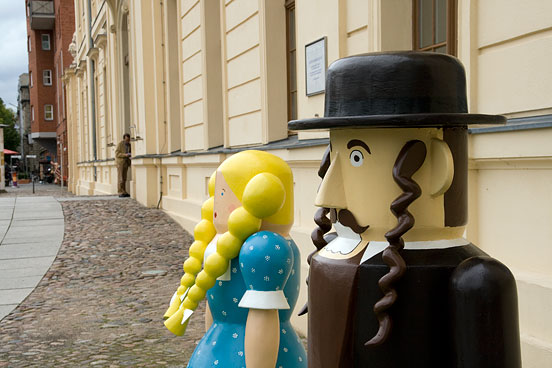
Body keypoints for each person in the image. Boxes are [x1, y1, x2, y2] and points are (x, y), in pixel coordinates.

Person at [289, 52, 521, 368]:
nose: (326, 195)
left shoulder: (476, 280)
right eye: (334, 156)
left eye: (356, 157)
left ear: (439, 169)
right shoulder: (334, 257)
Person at [163, 150, 307, 368]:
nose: (213, 204)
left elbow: (263, 315)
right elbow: (215, 307)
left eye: (221, 194)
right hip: (219, 347)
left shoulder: (262, 247)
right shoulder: (228, 243)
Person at [115, 133, 131, 197]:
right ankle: (120, 192)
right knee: (120, 178)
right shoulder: (120, 144)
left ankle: (124, 191)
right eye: (127, 140)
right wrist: (125, 155)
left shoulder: (129, 145)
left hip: (126, 163)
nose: (128, 141)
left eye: (128, 140)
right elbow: (117, 154)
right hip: (120, 163)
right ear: (124, 138)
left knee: (124, 178)